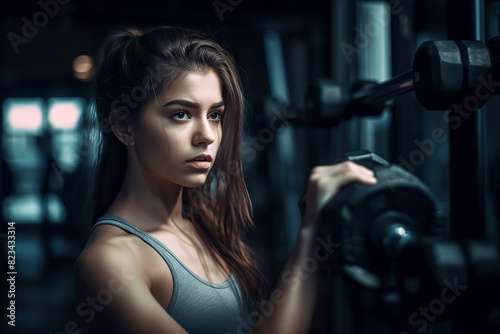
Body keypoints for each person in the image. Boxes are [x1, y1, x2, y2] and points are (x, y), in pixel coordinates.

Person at [73, 26, 378, 334]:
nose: (207, 135)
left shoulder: (205, 222)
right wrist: (309, 239)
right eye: (181, 114)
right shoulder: (109, 261)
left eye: (215, 115)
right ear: (125, 127)